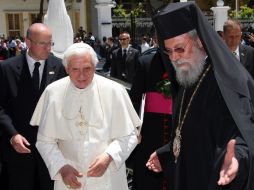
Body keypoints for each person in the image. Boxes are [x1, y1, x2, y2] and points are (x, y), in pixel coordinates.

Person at [146, 2, 254, 190]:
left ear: (200, 42)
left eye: (180, 49)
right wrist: (167, 153)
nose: (174, 58)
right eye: (168, 51)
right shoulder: (189, 75)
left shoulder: (228, 80)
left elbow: (244, 132)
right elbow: (191, 131)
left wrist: (237, 159)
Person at [30, 42, 141, 190]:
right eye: (75, 69)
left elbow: (130, 135)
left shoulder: (115, 91)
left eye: (87, 69)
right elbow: (44, 141)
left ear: (95, 67)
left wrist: (109, 156)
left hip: (108, 177)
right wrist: (61, 166)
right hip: (69, 178)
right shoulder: (53, 92)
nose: (81, 75)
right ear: (67, 69)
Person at [0, 23, 67, 190]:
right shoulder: (6, 68)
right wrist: (12, 135)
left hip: (51, 151)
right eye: (42, 43)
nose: (47, 48)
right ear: (28, 43)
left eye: (50, 43)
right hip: (19, 150)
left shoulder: (59, 67)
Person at [129, 46, 172, 190]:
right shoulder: (145, 62)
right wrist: (134, 129)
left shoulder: (186, 64)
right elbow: (135, 99)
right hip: (150, 133)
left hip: (177, 131)